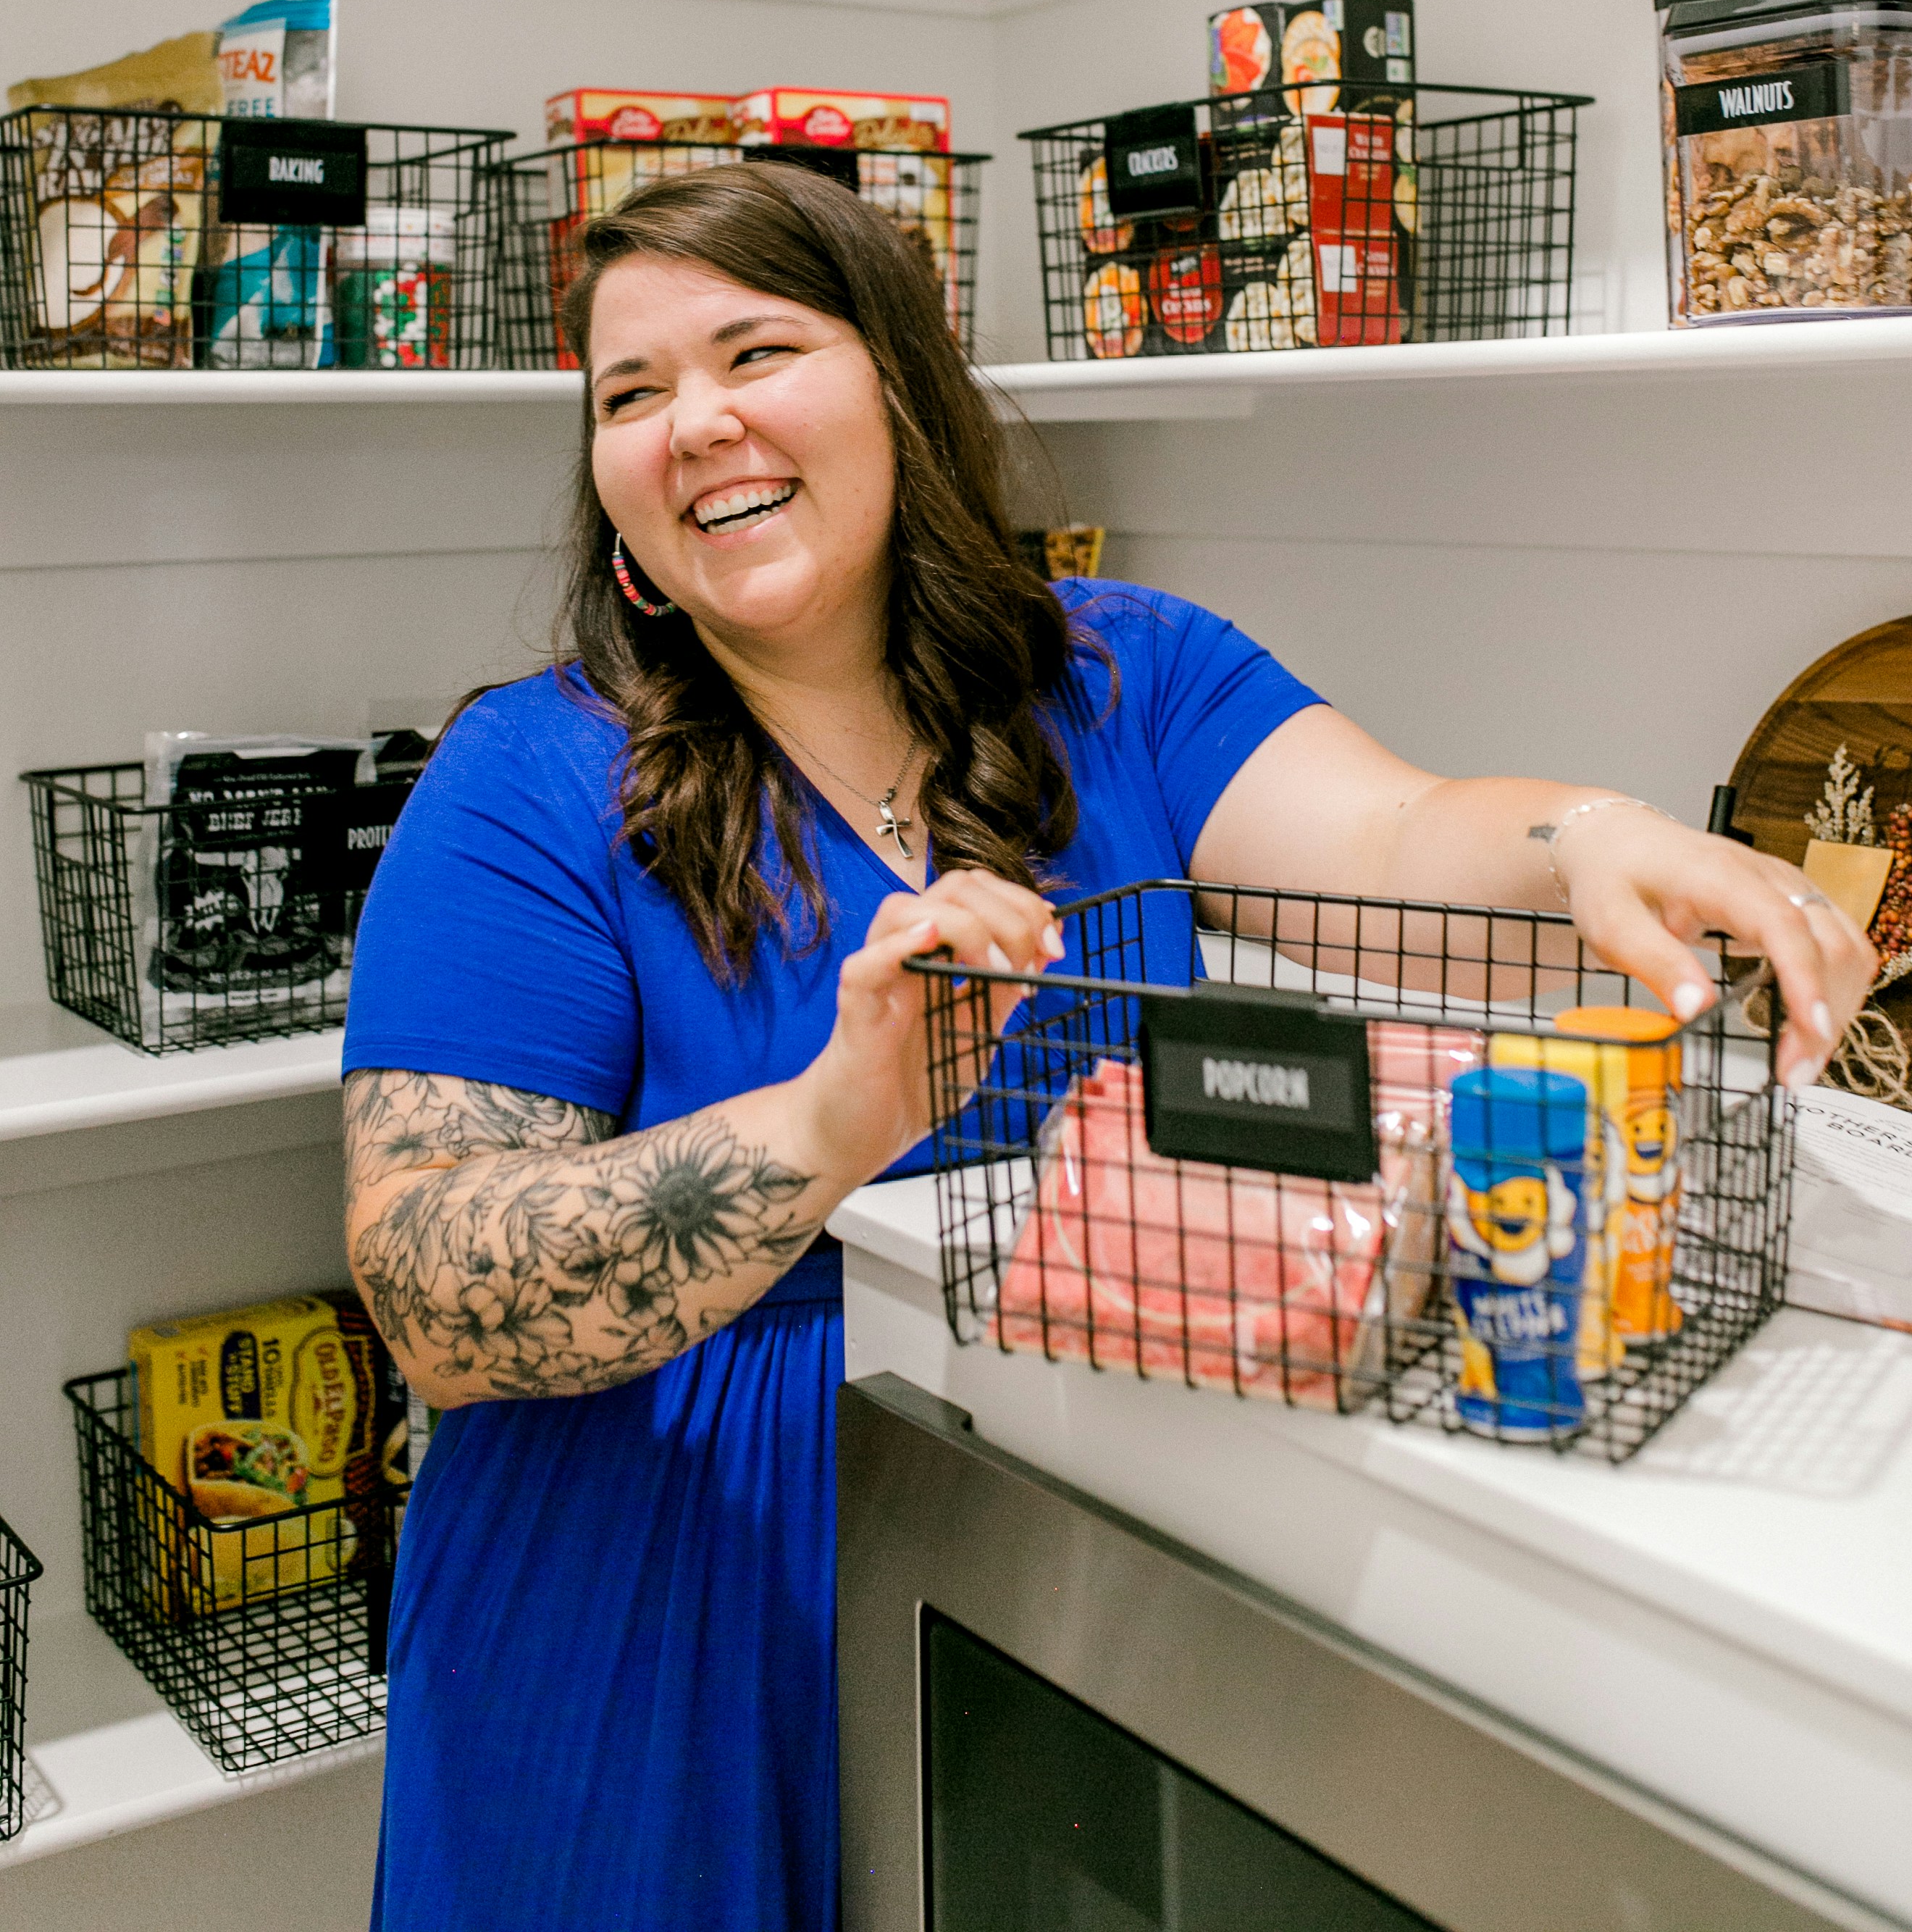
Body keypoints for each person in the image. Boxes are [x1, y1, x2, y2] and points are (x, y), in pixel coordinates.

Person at [340, 162, 1869, 1932]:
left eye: (755, 349)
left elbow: (1393, 835)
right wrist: (831, 1122)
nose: (696, 423)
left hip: (1053, 1558)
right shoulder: (529, 785)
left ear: (898, 386)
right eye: (628, 393)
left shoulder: (1120, 673)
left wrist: (1588, 833)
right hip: (656, 1615)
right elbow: (430, 1284)